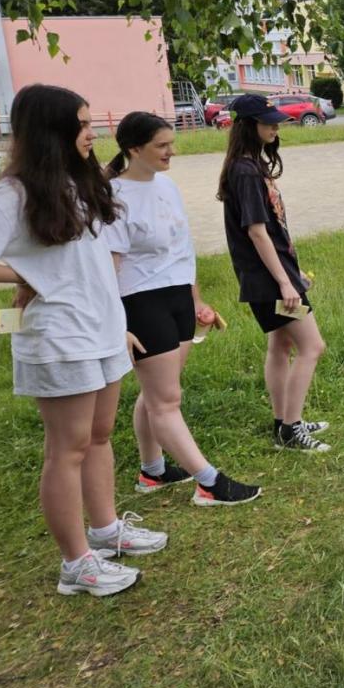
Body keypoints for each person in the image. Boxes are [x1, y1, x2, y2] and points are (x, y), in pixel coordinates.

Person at [0, 85, 167, 597]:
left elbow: (87, 260)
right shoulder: (13, 194)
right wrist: (25, 276)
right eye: (81, 124)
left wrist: (116, 323)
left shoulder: (77, 182)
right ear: (51, 130)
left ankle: (105, 530)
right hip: (59, 336)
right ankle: (75, 564)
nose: (91, 133)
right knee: (67, 449)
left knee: (99, 436)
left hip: (101, 328)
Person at [105, 112, 262, 505]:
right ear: (133, 149)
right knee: (166, 400)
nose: (171, 151)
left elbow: (182, 249)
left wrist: (196, 300)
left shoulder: (167, 185)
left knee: (156, 392)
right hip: (140, 301)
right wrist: (115, 321)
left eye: (171, 143)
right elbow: (109, 268)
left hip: (177, 296)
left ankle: (153, 471)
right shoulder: (114, 197)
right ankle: (209, 483)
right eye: (161, 145)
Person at [217, 94, 331, 452]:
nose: (275, 127)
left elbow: (274, 230)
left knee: (281, 345)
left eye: (276, 121)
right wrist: (285, 283)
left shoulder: (251, 165)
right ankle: (291, 429)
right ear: (247, 126)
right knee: (312, 346)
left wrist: (293, 274)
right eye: (267, 122)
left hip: (273, 278)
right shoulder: (245, 171)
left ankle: (284, 421)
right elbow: (256, 232)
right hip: (269, 282)